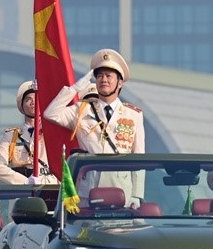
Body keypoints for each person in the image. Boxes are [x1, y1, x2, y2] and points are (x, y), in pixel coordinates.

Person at [43, 48, 145, 204]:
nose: (103, 80)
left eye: (109, 76)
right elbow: (51, 113)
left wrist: (137, 195)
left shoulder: (133, 115)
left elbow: (139, 158)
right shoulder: (82, 110)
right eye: (99, 76)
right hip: (89, 190)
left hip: (121, 190)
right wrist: (74, 89)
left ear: (120, 83)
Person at [0, 80, 58, 185]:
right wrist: (25, 181)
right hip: (22, 189)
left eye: (37, 99)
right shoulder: (11, 135)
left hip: (48, 185)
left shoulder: (52, 133)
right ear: (22, 106)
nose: (33, 102)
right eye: (28, 99)